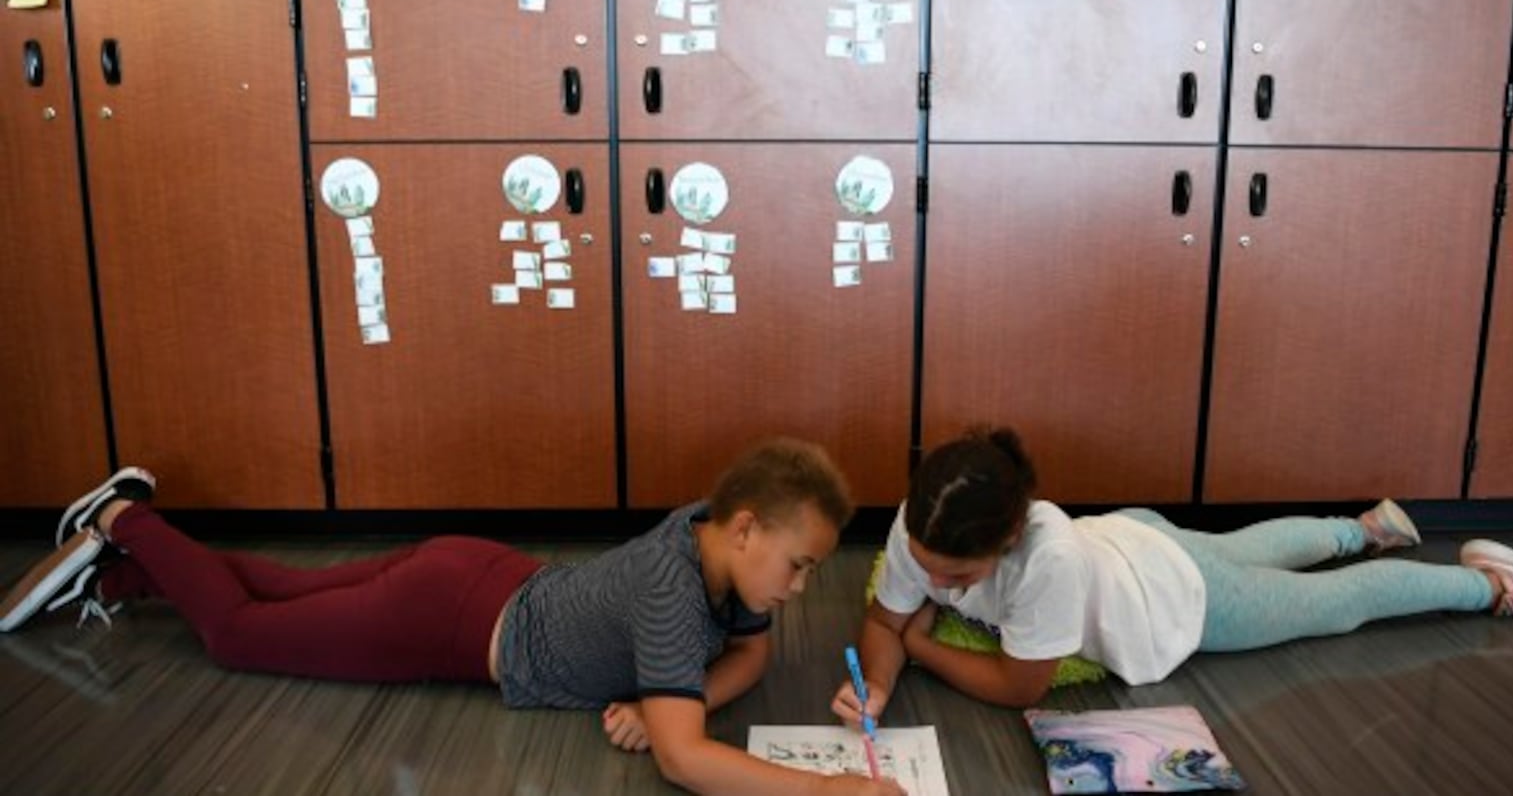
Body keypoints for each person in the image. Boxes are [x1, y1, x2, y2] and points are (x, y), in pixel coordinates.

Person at [2, 442, 907, 796]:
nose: (799, 588)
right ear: (745, 529)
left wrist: (683, 696)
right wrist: (835, 791)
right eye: (799, 566)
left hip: (477, 571)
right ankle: (126, 520)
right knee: (241, 634)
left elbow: (742, 666)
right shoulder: (675, 593)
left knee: (277, 585)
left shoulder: (711, 545)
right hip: (442, 622)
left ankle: (124, 580)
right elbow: (684, 759)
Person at [832, 426, 1513, 722]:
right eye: (930, 571)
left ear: (1005, 542)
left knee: (1337, 604)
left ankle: (1492, 584)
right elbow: (882, 617)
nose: (938, 587)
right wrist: (881, 683)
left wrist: (921, 645)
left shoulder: (1048, 558)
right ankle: (1361, 528)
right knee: (1252, 545)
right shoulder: (919, 521)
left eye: (957, 578)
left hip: (1183, 600)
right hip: (1135, 537)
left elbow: (1016, 686)